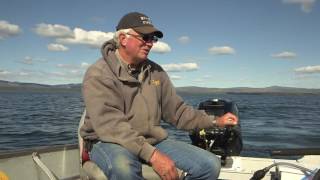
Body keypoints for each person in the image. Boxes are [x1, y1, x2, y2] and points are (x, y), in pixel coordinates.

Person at [80, 12, 238, 180]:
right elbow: (111, 126)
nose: (150, 44)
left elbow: (178, 112)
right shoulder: (99, 73)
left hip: (150, 140)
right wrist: (153, 156)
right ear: (123, 39)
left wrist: (214, 120)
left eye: (152, 39)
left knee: (209, 165)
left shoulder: (157, 72)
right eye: (145, 37)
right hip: (107, 141)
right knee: (124, 168)